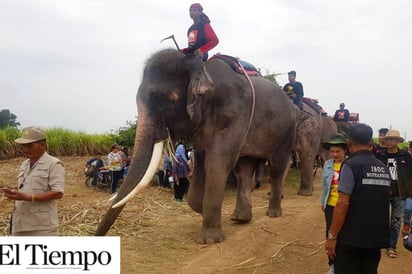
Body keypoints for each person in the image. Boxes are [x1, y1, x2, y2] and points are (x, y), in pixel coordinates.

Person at [325, 123, 391, 274]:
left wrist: (332, 236)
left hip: (351, 239)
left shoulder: (350, 165)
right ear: (371, 143)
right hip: (375, 239)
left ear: (348, 143)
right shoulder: (383, 168)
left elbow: (342, 203)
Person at [2, 126, 65, 236]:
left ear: (42, 145)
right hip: (20, 223)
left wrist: (28, 197)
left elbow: (58, 193)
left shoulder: (54, 164)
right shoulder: (25, 164)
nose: (25, 150)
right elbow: (27, 187)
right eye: (23, 146)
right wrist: (14, 193)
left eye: (30, 146)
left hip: (42, 227)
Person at [376, 129, 412, 258]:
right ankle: (380, 242)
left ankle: (391, 246)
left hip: (399, 193)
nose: (388, 142)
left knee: (396, 221)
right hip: (383, 192)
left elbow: (409, 175)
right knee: (381, 219)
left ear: (397, 141)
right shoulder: (379, 155)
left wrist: (409, 192)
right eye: (387, 139)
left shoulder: (405, 156)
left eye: (391, 139)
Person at [320, 134, 347, 274]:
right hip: (331, 205)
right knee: (330, 235)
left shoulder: (350, 165)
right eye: (332, 151)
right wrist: (322, 202)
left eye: (338, 151)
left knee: (344, 235)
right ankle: (332, 265)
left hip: (346, 206)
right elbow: (325, 186)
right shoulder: (328, 164)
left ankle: (345, 264)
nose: (334, 154)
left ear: (344, 151)